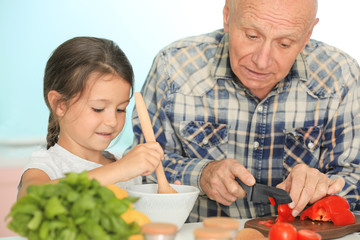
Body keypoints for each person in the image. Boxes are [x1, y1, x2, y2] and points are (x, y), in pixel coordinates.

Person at [128, 0, 360, 222]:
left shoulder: (341, 76)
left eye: (284, 43)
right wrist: (200, 174)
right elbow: (136, 171)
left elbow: (355, 176)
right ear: (227, 15)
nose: (262, 61)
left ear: (308, 35)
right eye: (252, 36)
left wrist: (324, 187)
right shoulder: (173, 67)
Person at [17, 37, 164, 199]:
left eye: (121, 109)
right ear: (60, 105)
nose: (112, 121)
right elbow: (30, 199)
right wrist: (120, 170)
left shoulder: (125, 167)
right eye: (98, 109)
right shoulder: (46, 165)